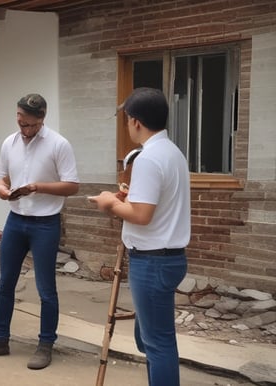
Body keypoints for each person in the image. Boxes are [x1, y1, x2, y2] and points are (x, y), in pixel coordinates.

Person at [0, 93, 79, 370]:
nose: (24, 128)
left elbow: (72, 185)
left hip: (45, 223)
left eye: (29, 124)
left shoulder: (59, 144)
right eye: (20, 121)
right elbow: (0, 176)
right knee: (5, 283)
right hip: (16, 221)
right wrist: (2, 190)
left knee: (45, 288)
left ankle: (45, 344)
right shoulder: (10, 142)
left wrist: (37, 187)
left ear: (42, 119)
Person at [88, 87, 190, 386]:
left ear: (135, 121)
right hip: (165, 257)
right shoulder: (173, 153)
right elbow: (150, 204)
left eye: (126, 120)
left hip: (153, 261)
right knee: (151, 339)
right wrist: (125, 199)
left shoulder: (148, 158)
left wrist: (109, 203)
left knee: (158, 344)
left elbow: (141, 215)